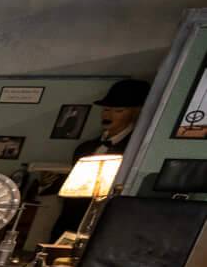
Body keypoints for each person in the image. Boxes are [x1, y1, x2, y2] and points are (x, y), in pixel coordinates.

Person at [54, 76, 149, 237]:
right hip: (70, 220)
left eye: (118, 111)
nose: (109, 115)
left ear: (135, 112)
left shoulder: (134, 151)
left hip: (106, 222)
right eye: (106, 109)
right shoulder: (85, 148)